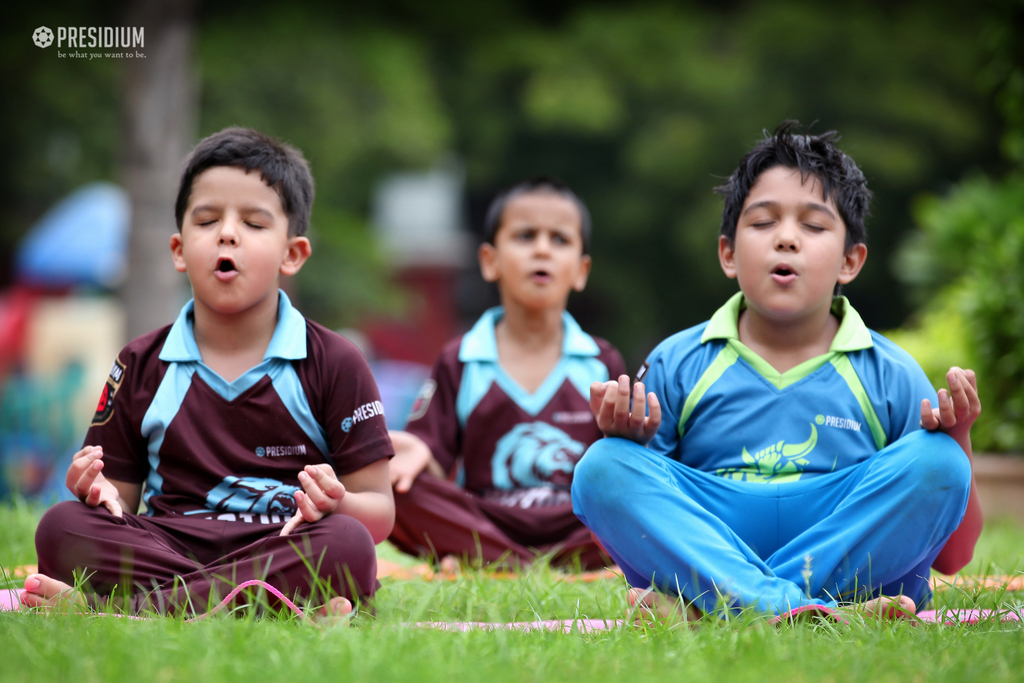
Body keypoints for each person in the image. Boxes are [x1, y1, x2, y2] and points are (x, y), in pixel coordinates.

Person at [571, 123, 983, 621]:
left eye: (813, 226)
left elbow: (953, 557)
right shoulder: (676, 362)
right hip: (716, 545)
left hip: (840, 557)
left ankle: (725, 609)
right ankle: (802, 610)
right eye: (764, 222)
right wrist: (629, 443)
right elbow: (638, 518)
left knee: (937, 461)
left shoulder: (890, 373)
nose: (786, 238)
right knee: (602, 465)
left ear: (850, 261)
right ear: (728, 252)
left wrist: (957, 438)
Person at [21, 127, 394, 617]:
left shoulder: (335, 361)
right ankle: (268, 607)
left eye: (254, 223)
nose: (228, 233)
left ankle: (131, 612)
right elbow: (121, 504)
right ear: (179, 249)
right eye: (208, 219)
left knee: (346, 543)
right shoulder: (139, 362)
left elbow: (380, 513)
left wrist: (336, 502)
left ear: (293, 253)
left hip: (280, 543)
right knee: (61, 526)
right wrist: (96, 490)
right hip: (170, 549)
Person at [387, 177, 626, 569]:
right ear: (489, 261)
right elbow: (428, 463)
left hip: (579, 522)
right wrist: (410, 454)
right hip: (485, 521)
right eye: (525, 236)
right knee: (394, 490)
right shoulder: (459, 358)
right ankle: (510, 560)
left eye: (560, 239)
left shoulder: (602, 361)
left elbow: (622, 467)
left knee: (642, 499)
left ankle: (488, 563)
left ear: (581, 270)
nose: (542, 250)